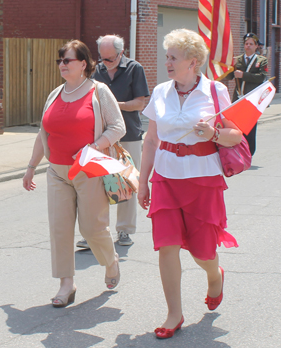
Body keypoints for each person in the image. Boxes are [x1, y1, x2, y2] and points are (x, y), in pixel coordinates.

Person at [138, 29, 241, 339]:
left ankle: (214, 275)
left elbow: (235, 135)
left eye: (173, 57)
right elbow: (152, 140)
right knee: (166, 246)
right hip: (166, 178)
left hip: (203, 179)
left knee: (202, 252)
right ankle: (174, 313)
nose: (167, 62)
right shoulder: (160, 92)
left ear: (193, 62)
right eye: (166, 56)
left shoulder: (215, 92)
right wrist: (143, 182)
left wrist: (211, 133)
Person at [22, 40, 126, 307]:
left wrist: (93, 147)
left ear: (83, 64)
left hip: (88, 169)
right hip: (56, 171)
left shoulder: (98, 91)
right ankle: (66, 284)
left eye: (67, 60)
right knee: (60, 229)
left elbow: (117, 127)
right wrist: (31, 167)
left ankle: (110, 261)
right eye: (60, 60)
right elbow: (44, 133)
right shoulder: (55, 94)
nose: (62, 65)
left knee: (92, 228)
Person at [76, 34, 149, 249]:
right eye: (102, 58)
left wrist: (114, 105)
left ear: (121, 54)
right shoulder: (96, 71)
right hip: (100, 137)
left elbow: (140, 103)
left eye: (110, 59)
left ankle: (125, 230)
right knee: (97, 187)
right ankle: (96, 233)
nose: (105, 63)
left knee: (126, 184)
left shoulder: (135, 69)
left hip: (128, 136)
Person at [223, 32, 268, 156]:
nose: (248, 46)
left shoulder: (261, 61)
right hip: (238, 98)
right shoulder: (237, 60)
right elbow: (229, 76)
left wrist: (244, 75)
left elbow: (262, 77)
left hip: (252, 100)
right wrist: (225, 67)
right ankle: (237, 151)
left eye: (251, 44)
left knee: (250, 128)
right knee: (236, 127)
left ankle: (249, 152)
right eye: (246, 44)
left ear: (256, 46)